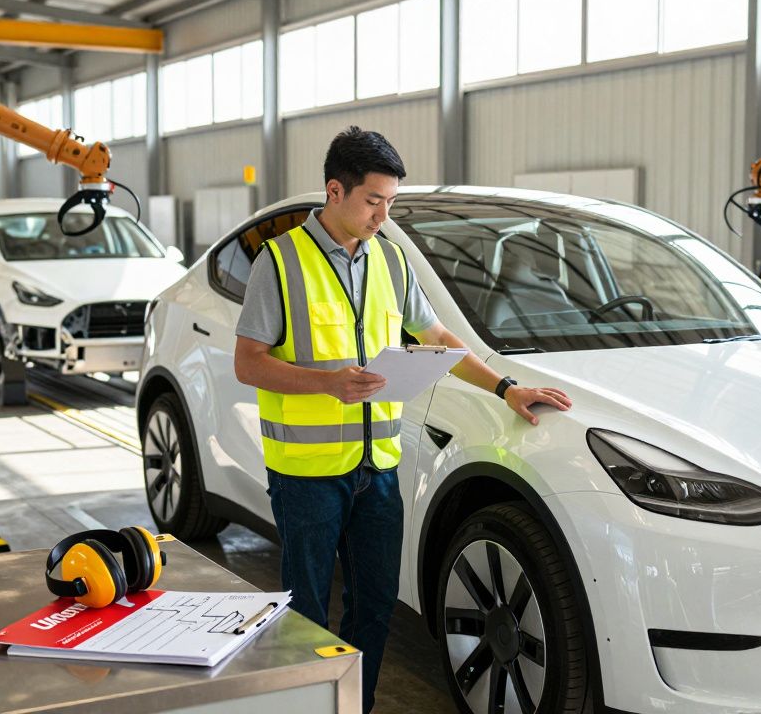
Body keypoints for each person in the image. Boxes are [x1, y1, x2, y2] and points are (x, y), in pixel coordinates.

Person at [233, 126, 571, 712]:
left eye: (391, 202)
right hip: (306, 474)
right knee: (307, 614)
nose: (383, 215)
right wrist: (329, 384)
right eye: (373, 201)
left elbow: (434, 335)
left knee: (376, 604)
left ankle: (354, 705)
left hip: (377, 469)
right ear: (334, 191)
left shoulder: (389, 258)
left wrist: (505, 387)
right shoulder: (281, 260)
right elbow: (248, 363)